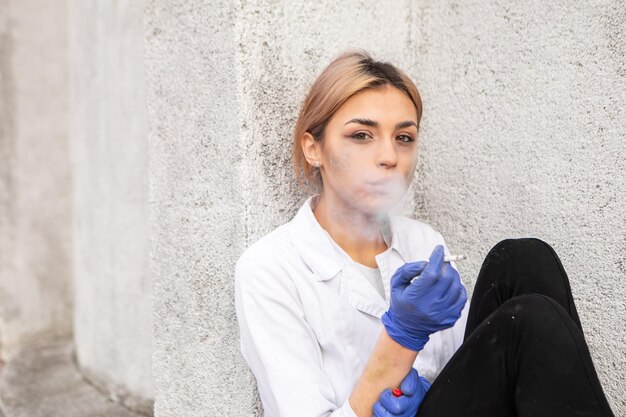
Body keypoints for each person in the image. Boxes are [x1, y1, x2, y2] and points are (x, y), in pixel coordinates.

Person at [234, 50, 615, 417]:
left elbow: (463, 377)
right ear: (313, 147)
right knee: (529, 319)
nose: (389, 157)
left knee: (524, 259)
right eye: (361, 136)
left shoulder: (422, 242)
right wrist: (402, 337)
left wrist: (428, 394)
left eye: (404, 137)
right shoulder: (270, 269)